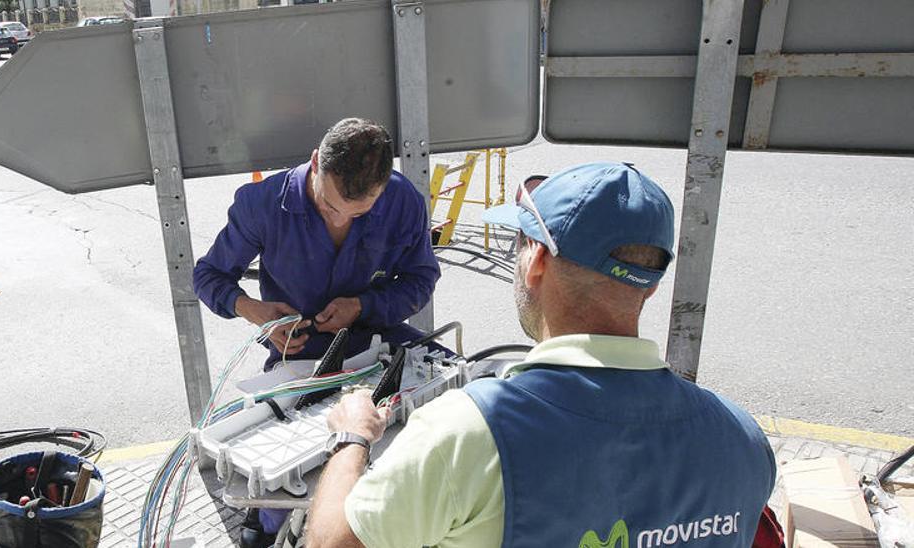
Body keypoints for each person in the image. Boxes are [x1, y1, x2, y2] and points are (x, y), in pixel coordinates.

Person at [305, 162, 777, 548]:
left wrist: (352, 438)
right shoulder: (743, 440)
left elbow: (332, 545)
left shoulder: (469, 433)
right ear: (650, 286)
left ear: (537, 261)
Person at [192, 117, 441, 546]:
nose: (340, 218)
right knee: (281, 479)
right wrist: (255, 311)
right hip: (299, 357)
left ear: (382, 190)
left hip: (377, 341)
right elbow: (208, 274)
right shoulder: (262, 203)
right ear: (314, 163)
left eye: (358, 214)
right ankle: (268, 526)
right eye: (329, 207)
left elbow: (420, 280)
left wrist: (363, 306)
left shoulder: (404, 201)